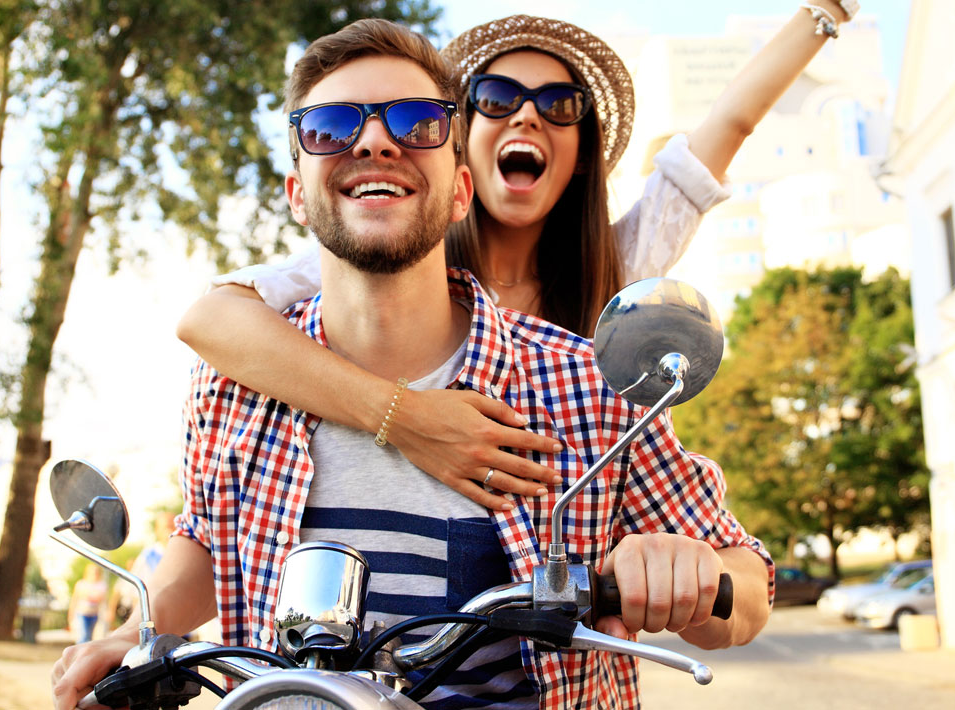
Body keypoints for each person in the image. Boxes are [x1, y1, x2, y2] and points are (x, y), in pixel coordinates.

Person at [51, 19, 773, 710]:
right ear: (295, 193)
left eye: (415, 123)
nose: (373, 141)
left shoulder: (588, 380)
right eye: (331, 128)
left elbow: (749, 582)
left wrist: (689, 569)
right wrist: (130, 639)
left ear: (461, 189)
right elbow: (211, 537)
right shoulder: (234, 378)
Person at [174, 3, 862, 512]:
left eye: (560, 105)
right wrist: (405, 418)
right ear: (457, 150)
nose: (528, 118)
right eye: (498, 100)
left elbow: (729, 126)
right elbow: (211, 319)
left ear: (581, 153)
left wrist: (827, 12)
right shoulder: (398, 257)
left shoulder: (619, 264)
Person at [67, 564, 108, 645]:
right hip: (82, 613)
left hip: (94, 614)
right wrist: (70, 613)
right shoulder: (81, 584)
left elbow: (103, 599)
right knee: (83, 636)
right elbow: (75, 599)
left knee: (89, 636)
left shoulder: (102, 585)